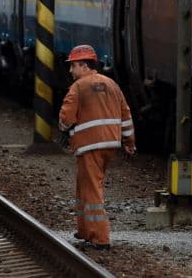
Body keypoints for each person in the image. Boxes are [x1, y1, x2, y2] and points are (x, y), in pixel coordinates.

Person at [58, 45, 136, 250]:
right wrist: (129, 142)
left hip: (89, 145)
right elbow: (126, 115)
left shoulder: (79, 87)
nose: (70, 70)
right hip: (110, 144)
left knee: (92, 191)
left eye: (73, 66)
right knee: (83, 186)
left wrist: (64, 129)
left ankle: (101, 238)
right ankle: (85, 231)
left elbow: (66, 118)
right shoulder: (111, 84)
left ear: (84, 66)